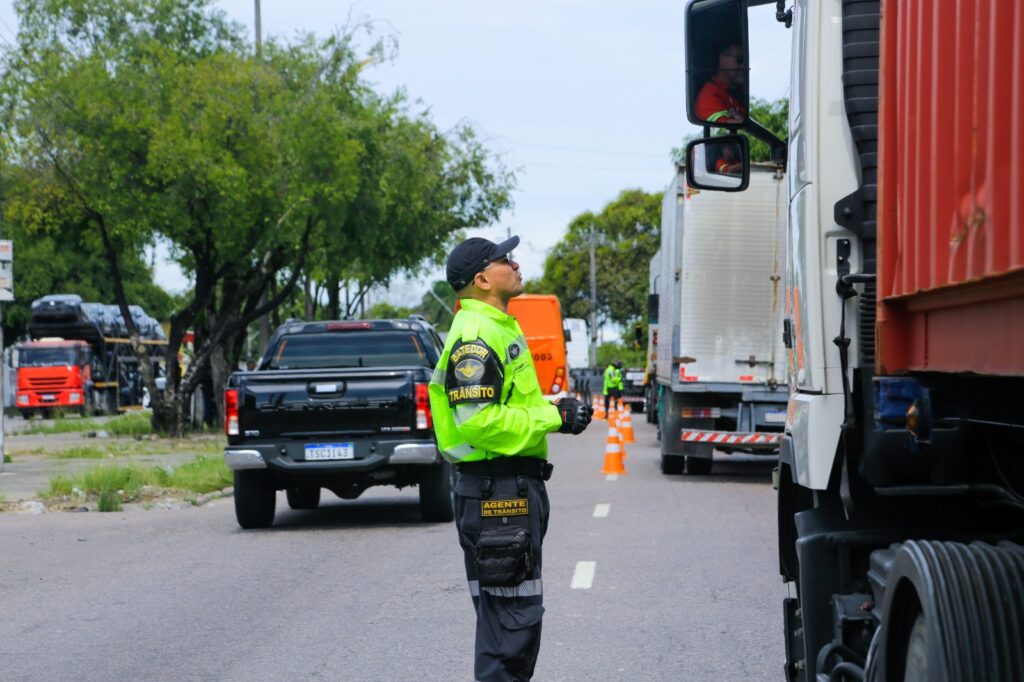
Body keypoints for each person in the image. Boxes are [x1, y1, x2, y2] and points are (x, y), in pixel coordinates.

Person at [428, 235, 594, 681]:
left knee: (514, 620)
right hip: (495, 492)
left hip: (506, 488)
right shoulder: (476, 336)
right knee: (509, 632)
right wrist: (552, 416)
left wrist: (554, 406)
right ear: (482, 278)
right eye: (505, 259)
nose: (516, 264)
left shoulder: (499, 326)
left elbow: (504, 403)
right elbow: (479, 421)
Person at [695, 42, 747, 125]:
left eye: (746, 61)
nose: (744, 66)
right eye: (740, 60)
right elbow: (722, 127)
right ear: (723, 59)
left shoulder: (736, 92)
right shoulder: (709, 95)